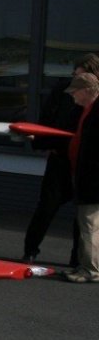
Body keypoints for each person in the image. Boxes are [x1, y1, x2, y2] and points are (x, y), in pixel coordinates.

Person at [21, 55, 99, 263]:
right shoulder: (63, 90)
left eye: (81, 76)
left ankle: (77, 259)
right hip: (61, 157)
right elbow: (48, 117)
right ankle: (30, 250)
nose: (76, 81)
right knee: (47, 206)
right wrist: (43, 140)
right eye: (75, 75)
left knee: (83, 216)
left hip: (85, 164)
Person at [63, 72, 99, 283]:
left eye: (75, 91)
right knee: (91, 225)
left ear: (86, 91)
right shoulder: (90, 110)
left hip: (93, 180)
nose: (73, 96)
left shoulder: (95, 112)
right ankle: (87, 266)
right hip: (89, 177)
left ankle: (90, 270)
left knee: (89, 226)